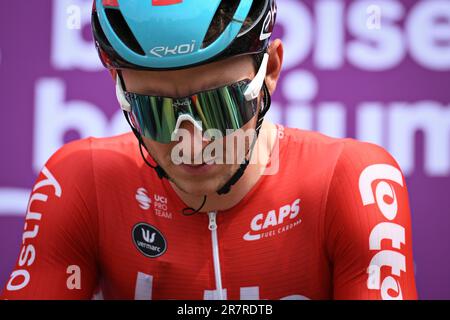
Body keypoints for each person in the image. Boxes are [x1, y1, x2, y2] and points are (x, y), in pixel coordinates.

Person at [1, 0, 417, 300]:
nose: (192, 143)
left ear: (269, 70)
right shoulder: (81, 180)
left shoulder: (352, 180)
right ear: (122, 94)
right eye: (157, 112)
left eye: (218, 106)